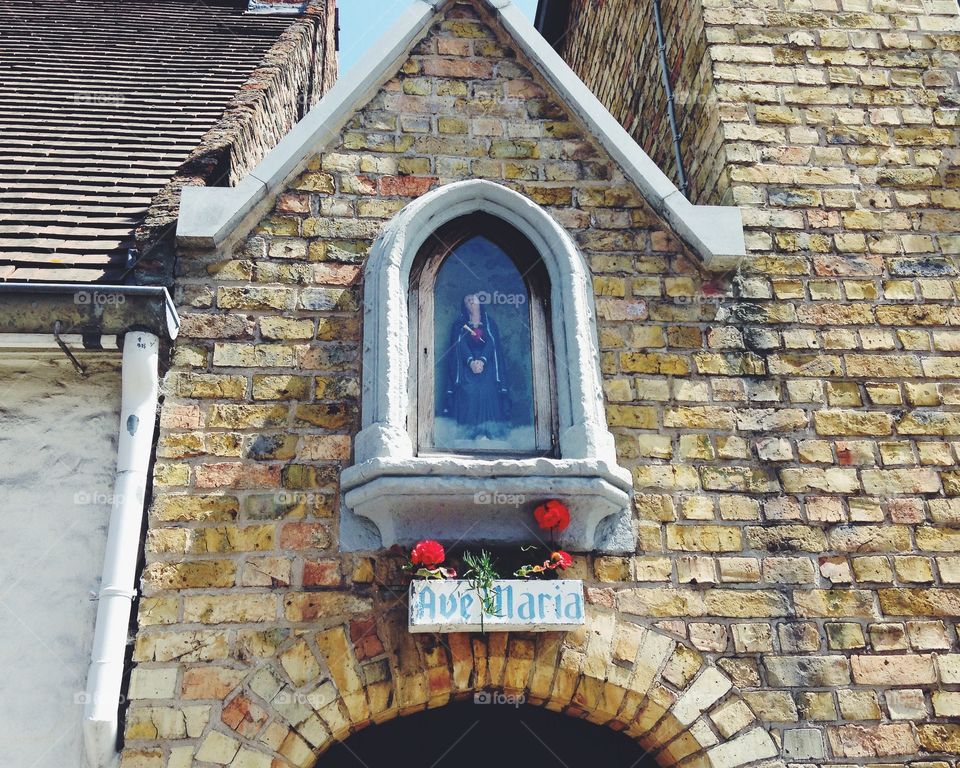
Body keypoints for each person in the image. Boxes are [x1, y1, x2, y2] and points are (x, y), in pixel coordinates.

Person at [442, 293, 510, 440]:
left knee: (487, 390)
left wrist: (483, 360)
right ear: (465, 306)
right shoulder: (459, 325)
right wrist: (471, 361)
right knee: (469, 392)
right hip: (467, 366)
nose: (471, 302)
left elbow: (493, 343)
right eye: (468, 300)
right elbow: (459, 344)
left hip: (487, 365)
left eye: (474, 299)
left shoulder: (489, 323)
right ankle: (468, 433)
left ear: (480, 303)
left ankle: (490, 431)